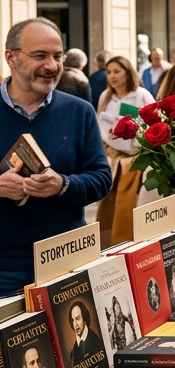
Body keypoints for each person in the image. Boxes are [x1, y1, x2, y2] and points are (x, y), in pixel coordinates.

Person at [0, 18, 111, 295]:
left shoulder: (80, 111)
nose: (51, 65)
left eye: (57, 56)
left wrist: (62, 185)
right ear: (11, 58)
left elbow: (101, 178)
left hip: (66, 261)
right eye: (40, 56)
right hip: (4, 267)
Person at [94, 55, 156, 245]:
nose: (112, 76)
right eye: (109, 72)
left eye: (117, 71)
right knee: (109, 206)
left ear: (128, 73)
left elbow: (153, 123)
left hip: (134, 160)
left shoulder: (141, 95)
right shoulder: (105, 96)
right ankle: (108, 243)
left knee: (128, 206)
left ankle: (128, 241)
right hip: (112, 159)